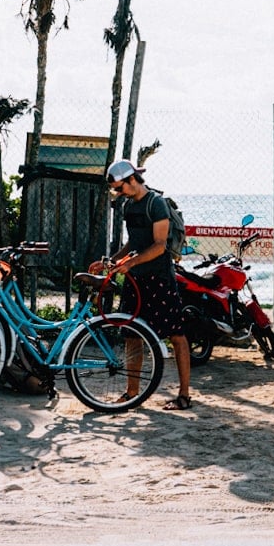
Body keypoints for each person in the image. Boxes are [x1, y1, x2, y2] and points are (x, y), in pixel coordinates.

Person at [89, 159, 192, 410]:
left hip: (159, 278)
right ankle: (132, 393)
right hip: (135, 279)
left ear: (132, 180)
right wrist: (111, 262)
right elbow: (132, 243)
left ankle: (184, 395)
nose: (118, 193)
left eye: (120, 187)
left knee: (176, 335)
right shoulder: (128, 206)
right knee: (131, 335)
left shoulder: (156, 204)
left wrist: (131, 263)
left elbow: (159, 246)